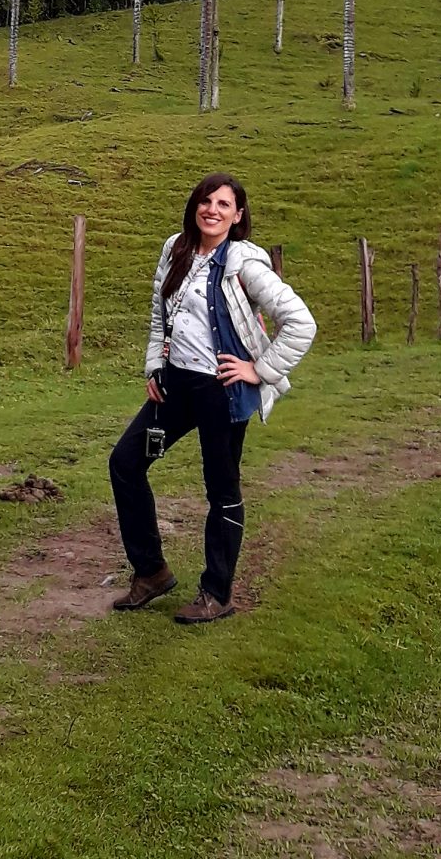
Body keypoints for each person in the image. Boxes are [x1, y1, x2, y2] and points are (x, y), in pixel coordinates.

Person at [108, 171, 316, 624]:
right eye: (206, 201)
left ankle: (216, 592)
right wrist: (155, 365)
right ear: (194, 206)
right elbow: (158, 314)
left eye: (224, 204)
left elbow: (301, 322)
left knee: (221, 489)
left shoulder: (244, 263)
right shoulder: (176, 249)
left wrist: (258, 371)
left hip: (222, 391)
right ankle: (151, 572)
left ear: (238, 215)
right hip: (176, 388)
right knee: (126, 462)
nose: (212, 210)